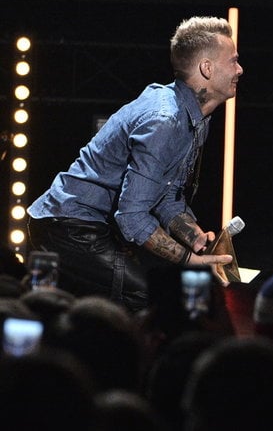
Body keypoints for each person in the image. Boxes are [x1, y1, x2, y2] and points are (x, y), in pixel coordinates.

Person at [26, 16, 241, 312]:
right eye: (233, 61)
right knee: (154, 299)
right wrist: (189, 259)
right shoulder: (166, 119)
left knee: (186, 290)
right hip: (69, 226)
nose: (240, 70)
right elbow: (132, 217)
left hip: (97, 225)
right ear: (207, 68)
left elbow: (167, 197)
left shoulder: (195, 118)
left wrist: (195, 238)